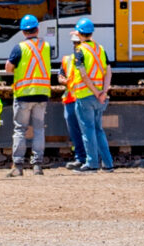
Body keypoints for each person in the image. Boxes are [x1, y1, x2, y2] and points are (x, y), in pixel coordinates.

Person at [7, 14, 56, 174]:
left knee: (20, 129)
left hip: (24, 94)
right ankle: (37, 165)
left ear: (23, 31)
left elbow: (9, 68)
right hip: (41, 94)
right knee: (39, 129)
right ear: (37, 29)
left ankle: (18, 166)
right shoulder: (46, 46)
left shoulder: (19, 48)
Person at [66, 17, 115, 172]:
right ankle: (108, 164)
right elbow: (108, 72)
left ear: (79, 34)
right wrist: (103, 92)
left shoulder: (79, 51)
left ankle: (92, 164)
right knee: (99, 130)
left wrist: (96, 92)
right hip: (100, 98)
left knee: (88, 130)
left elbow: (83, 74)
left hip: (85, 95)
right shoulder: (100, 49)